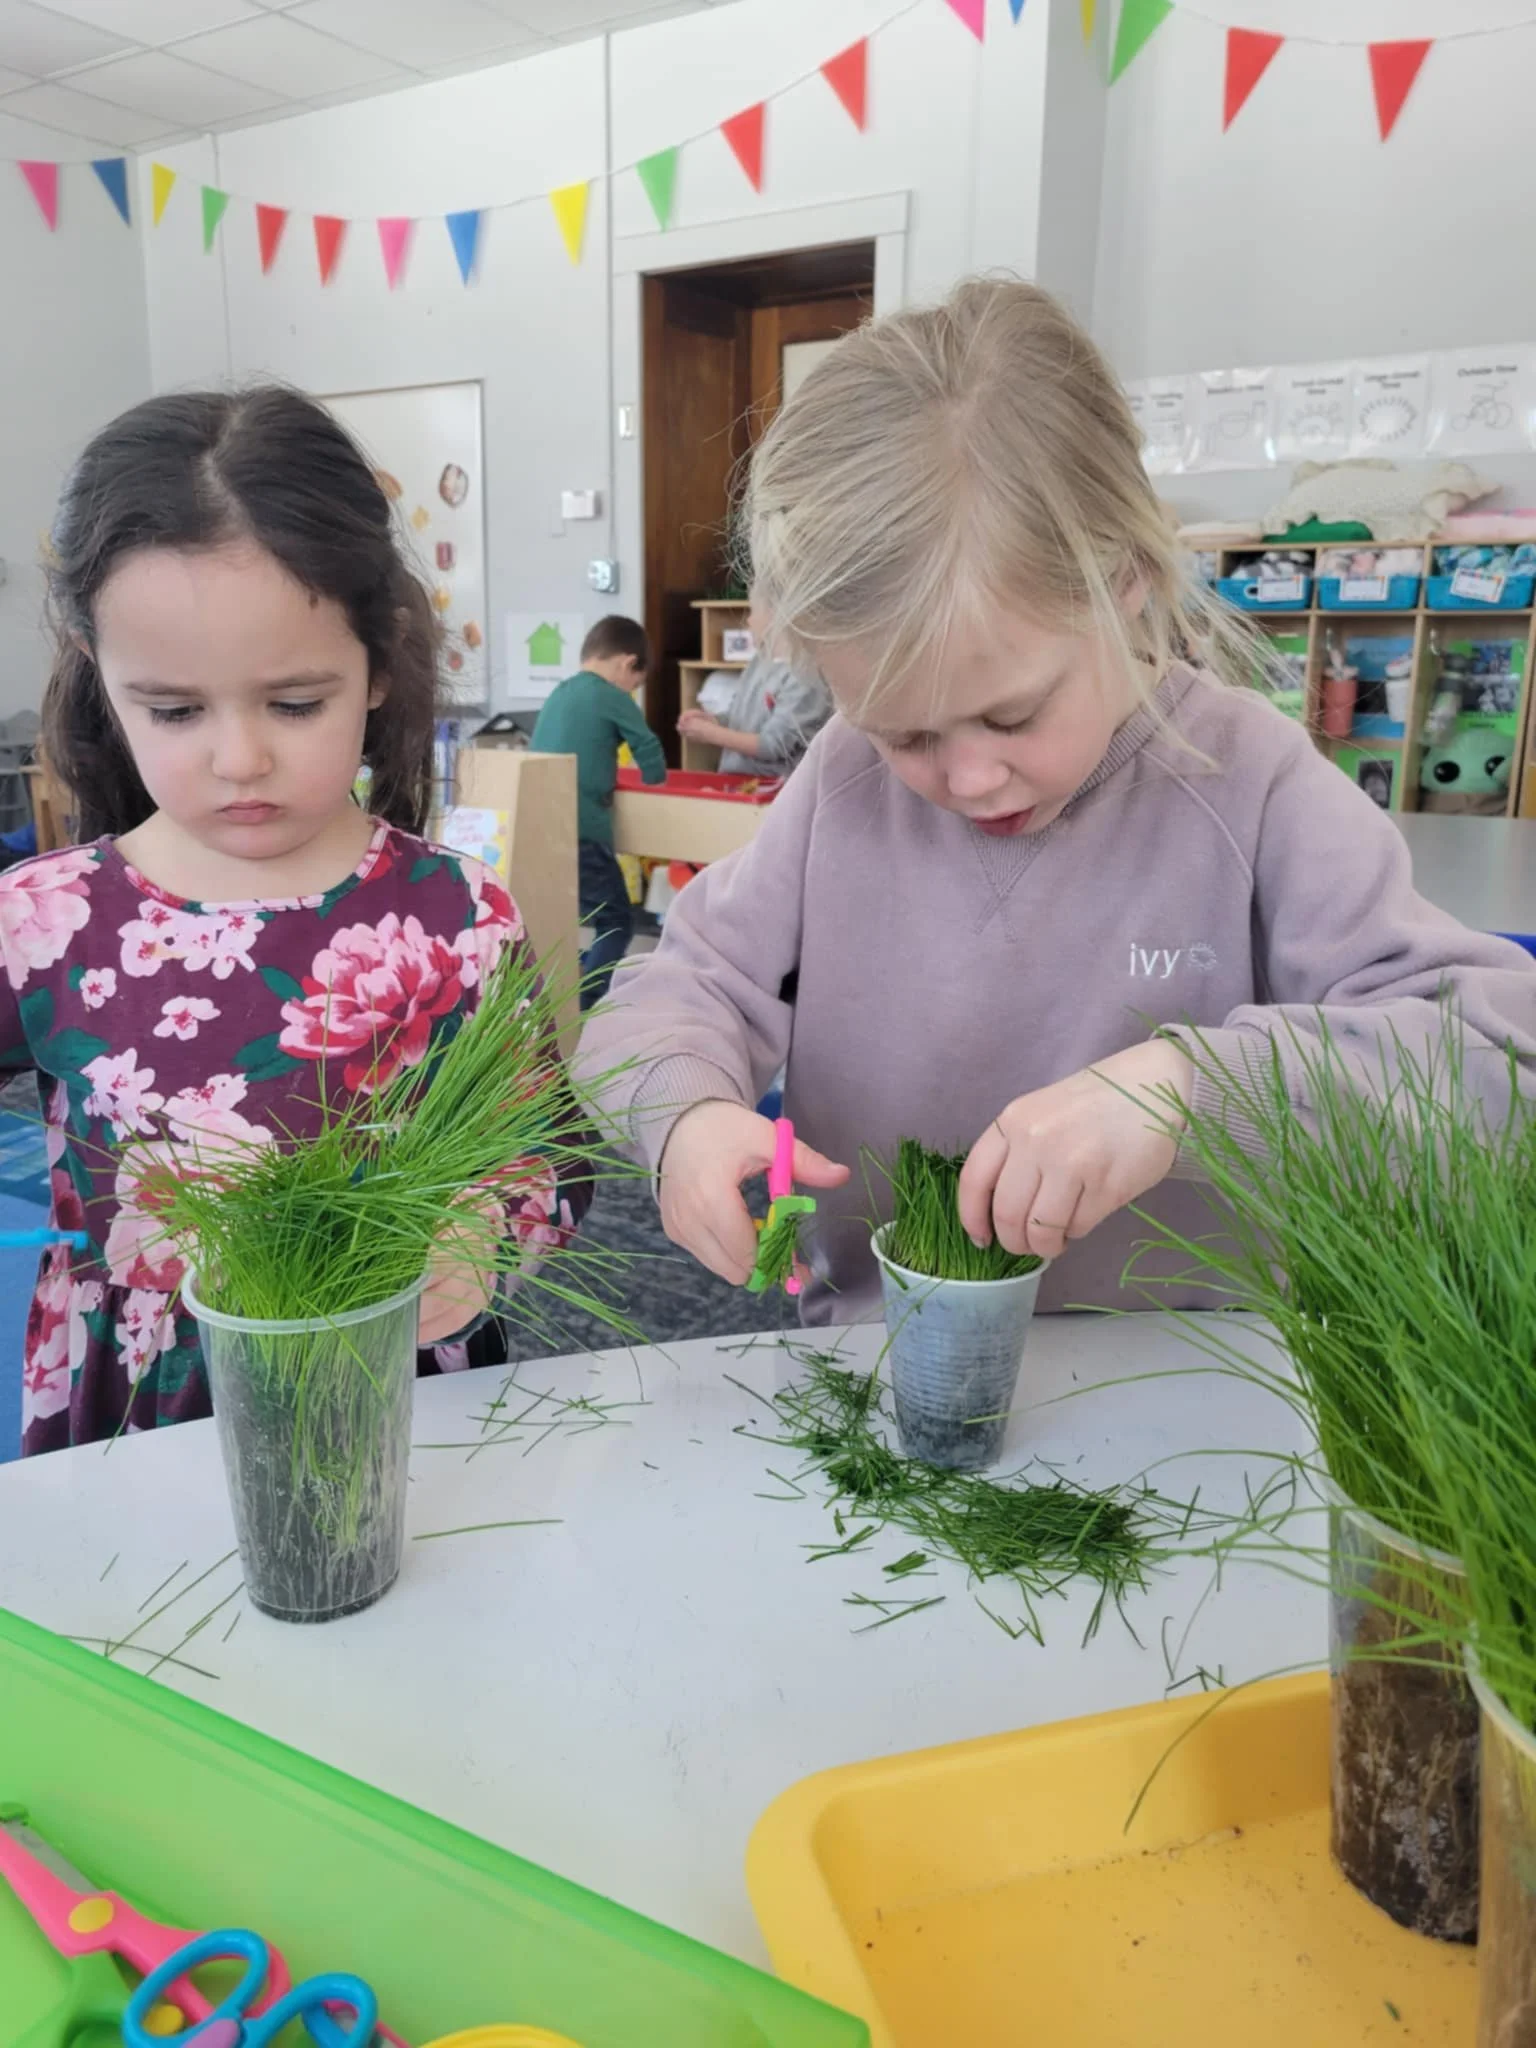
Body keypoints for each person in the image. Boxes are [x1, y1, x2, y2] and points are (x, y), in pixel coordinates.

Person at [575, 278, 1536, 1324]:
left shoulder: (1250, 781)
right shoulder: (841, 783)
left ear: (1123, 583)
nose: (968, 777)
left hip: (1182, 1402)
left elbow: (1491, 1068)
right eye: (906, 732)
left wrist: (1187, 1090)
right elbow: (670, 992)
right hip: (881, 1375)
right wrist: (684, 1116)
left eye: (1014, 714)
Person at [1, 388, 588, 1456]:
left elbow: (546, 1157)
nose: (239, 758)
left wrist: (480, 1236)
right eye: (174, 710)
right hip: (150, 1409)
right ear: (99, 671)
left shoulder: (456, 914)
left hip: (399, 1390)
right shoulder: (44, 919)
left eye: (296, 702)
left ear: (377, 661)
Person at [532, 617, 666, 1008]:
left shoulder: (561, 692)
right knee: (616, 921)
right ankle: (588, 1000)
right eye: (636, 684)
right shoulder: (611, 697)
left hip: (544, 825)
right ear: (628, 665)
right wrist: (656, 784)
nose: (633, 692)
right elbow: (649, 752)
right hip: (583, 829)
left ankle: (570, 984)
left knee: (565, 918)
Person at [678, 603, 832, 776]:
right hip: (736, 784)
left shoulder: (806, 676)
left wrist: (711, 734)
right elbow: (741, 720)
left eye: (753, 611)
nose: (748, 620)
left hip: (775, 789)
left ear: (777, 616)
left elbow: (772, 746)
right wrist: (712, 721)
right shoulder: (758, 662)